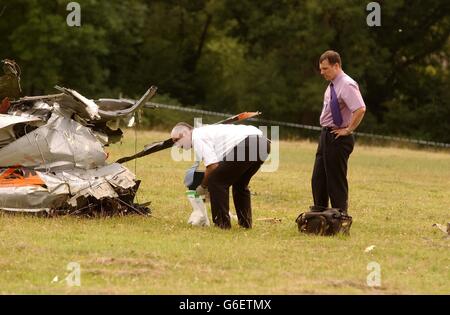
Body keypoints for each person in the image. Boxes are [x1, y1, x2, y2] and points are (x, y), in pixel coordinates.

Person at [171, 122, 270, 229]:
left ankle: (222, 225)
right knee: (240, 184)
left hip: (248, 144)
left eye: (176, 140)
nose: (177, 145)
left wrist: (203, 186)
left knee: (216, 182)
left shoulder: (197, 136)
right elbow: (219, 165)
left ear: (185, 133)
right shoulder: (206, 132)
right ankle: (245, 224)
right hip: (264, 144)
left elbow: (212, 166)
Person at [312, 50, 366, 214]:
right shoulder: (332, 86)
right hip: (326, 136)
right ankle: (320, 215)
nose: (322, 72)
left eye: (325, 68)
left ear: (336, 66)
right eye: (321, 69)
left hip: (338, 138)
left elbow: (360, 108)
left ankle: (340, 217)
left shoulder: (347, 84)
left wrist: (348, 129)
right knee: (318, 179)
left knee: (335, 181)